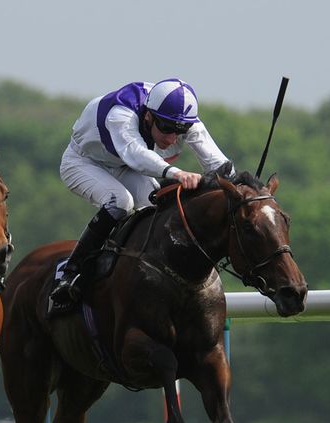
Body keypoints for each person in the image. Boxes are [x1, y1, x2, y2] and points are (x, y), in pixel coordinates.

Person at [50, 78, 235, 311]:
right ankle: (71, 274)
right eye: (167, 129)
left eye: (180, 131)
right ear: (148, 116)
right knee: (120, 202)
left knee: (157, 206)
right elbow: (136, 154)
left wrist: (241, 187)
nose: (171, 139)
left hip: (126, 167)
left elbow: (217, 162)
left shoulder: (180, 117)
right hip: (83, 161)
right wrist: (176, 173)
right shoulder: (121, 114)